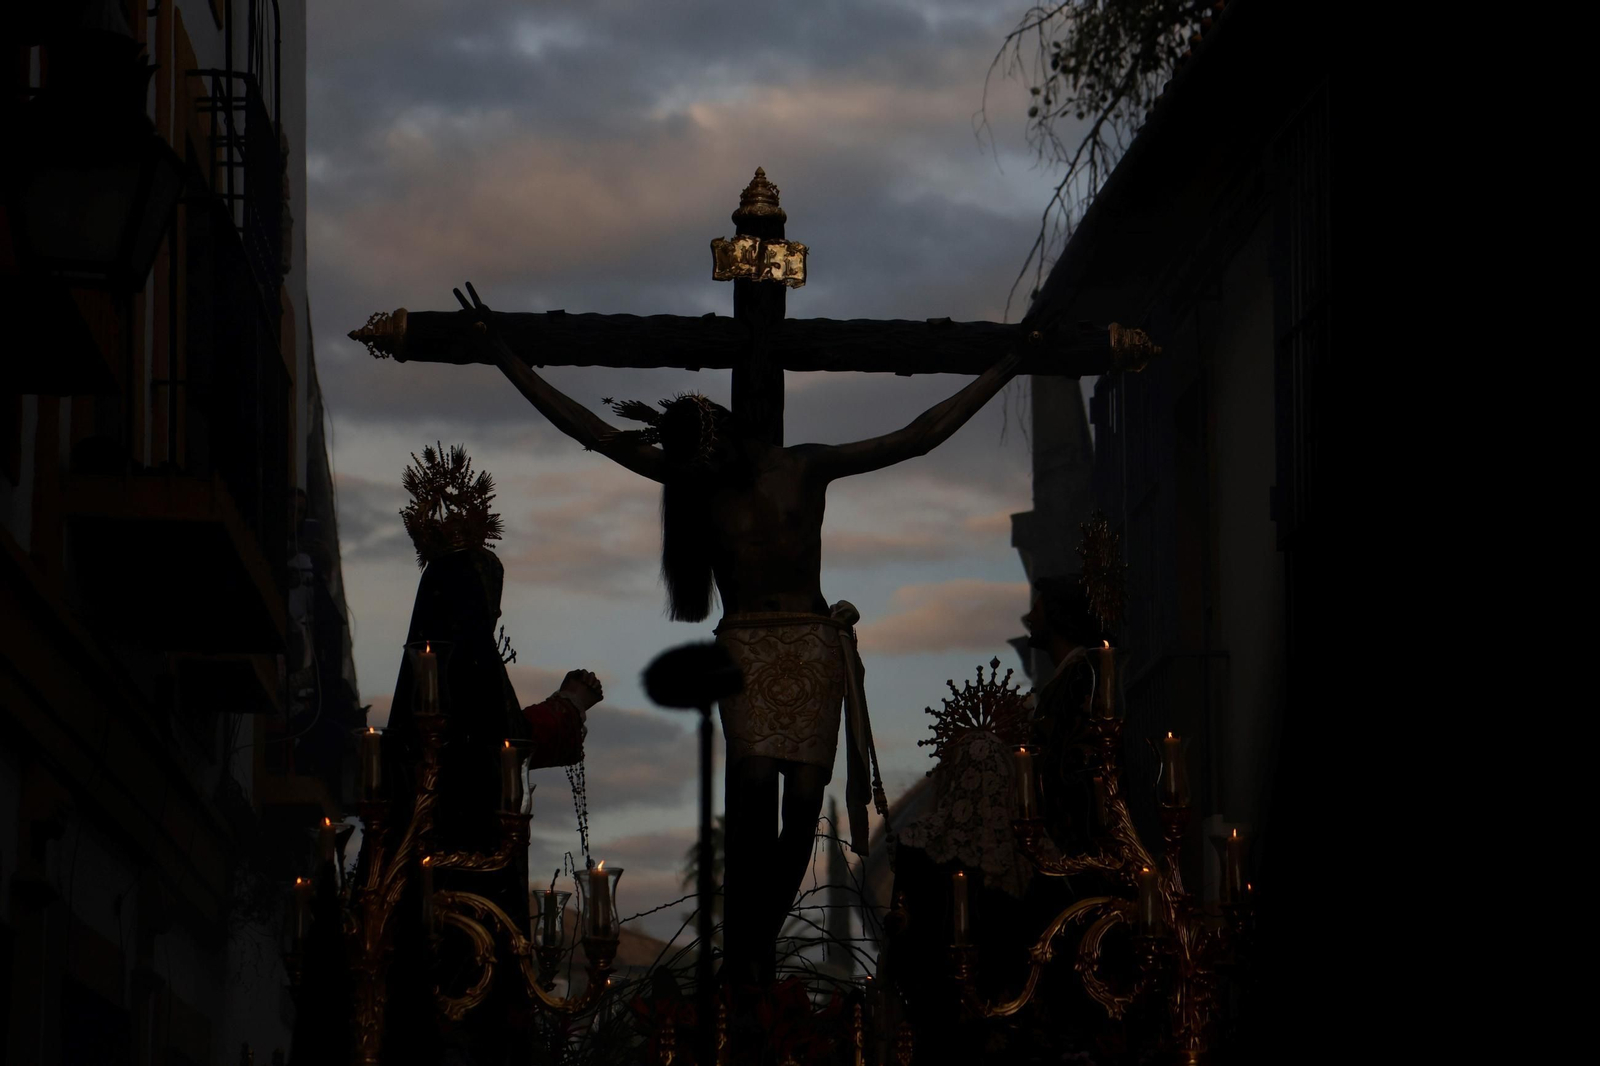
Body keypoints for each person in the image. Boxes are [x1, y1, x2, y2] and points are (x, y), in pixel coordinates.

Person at [451, 266, 1042, 988]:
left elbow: (917, 436)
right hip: (747, 648)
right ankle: (748, 953)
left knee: (802, 807)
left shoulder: (804, 468)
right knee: (756, 780)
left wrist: (1008, 363)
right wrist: (507, 358)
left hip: (810, 638)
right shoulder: (701, 480)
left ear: (727, 434)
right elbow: (595, 432)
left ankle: (752, 948)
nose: (706, 477)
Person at [372, 445, 605, 1065]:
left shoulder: (425, 679)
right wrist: (570, 705)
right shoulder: (456, 677)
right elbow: (503, 742)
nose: (494, 616)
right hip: (462, 865)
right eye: (489, 604)